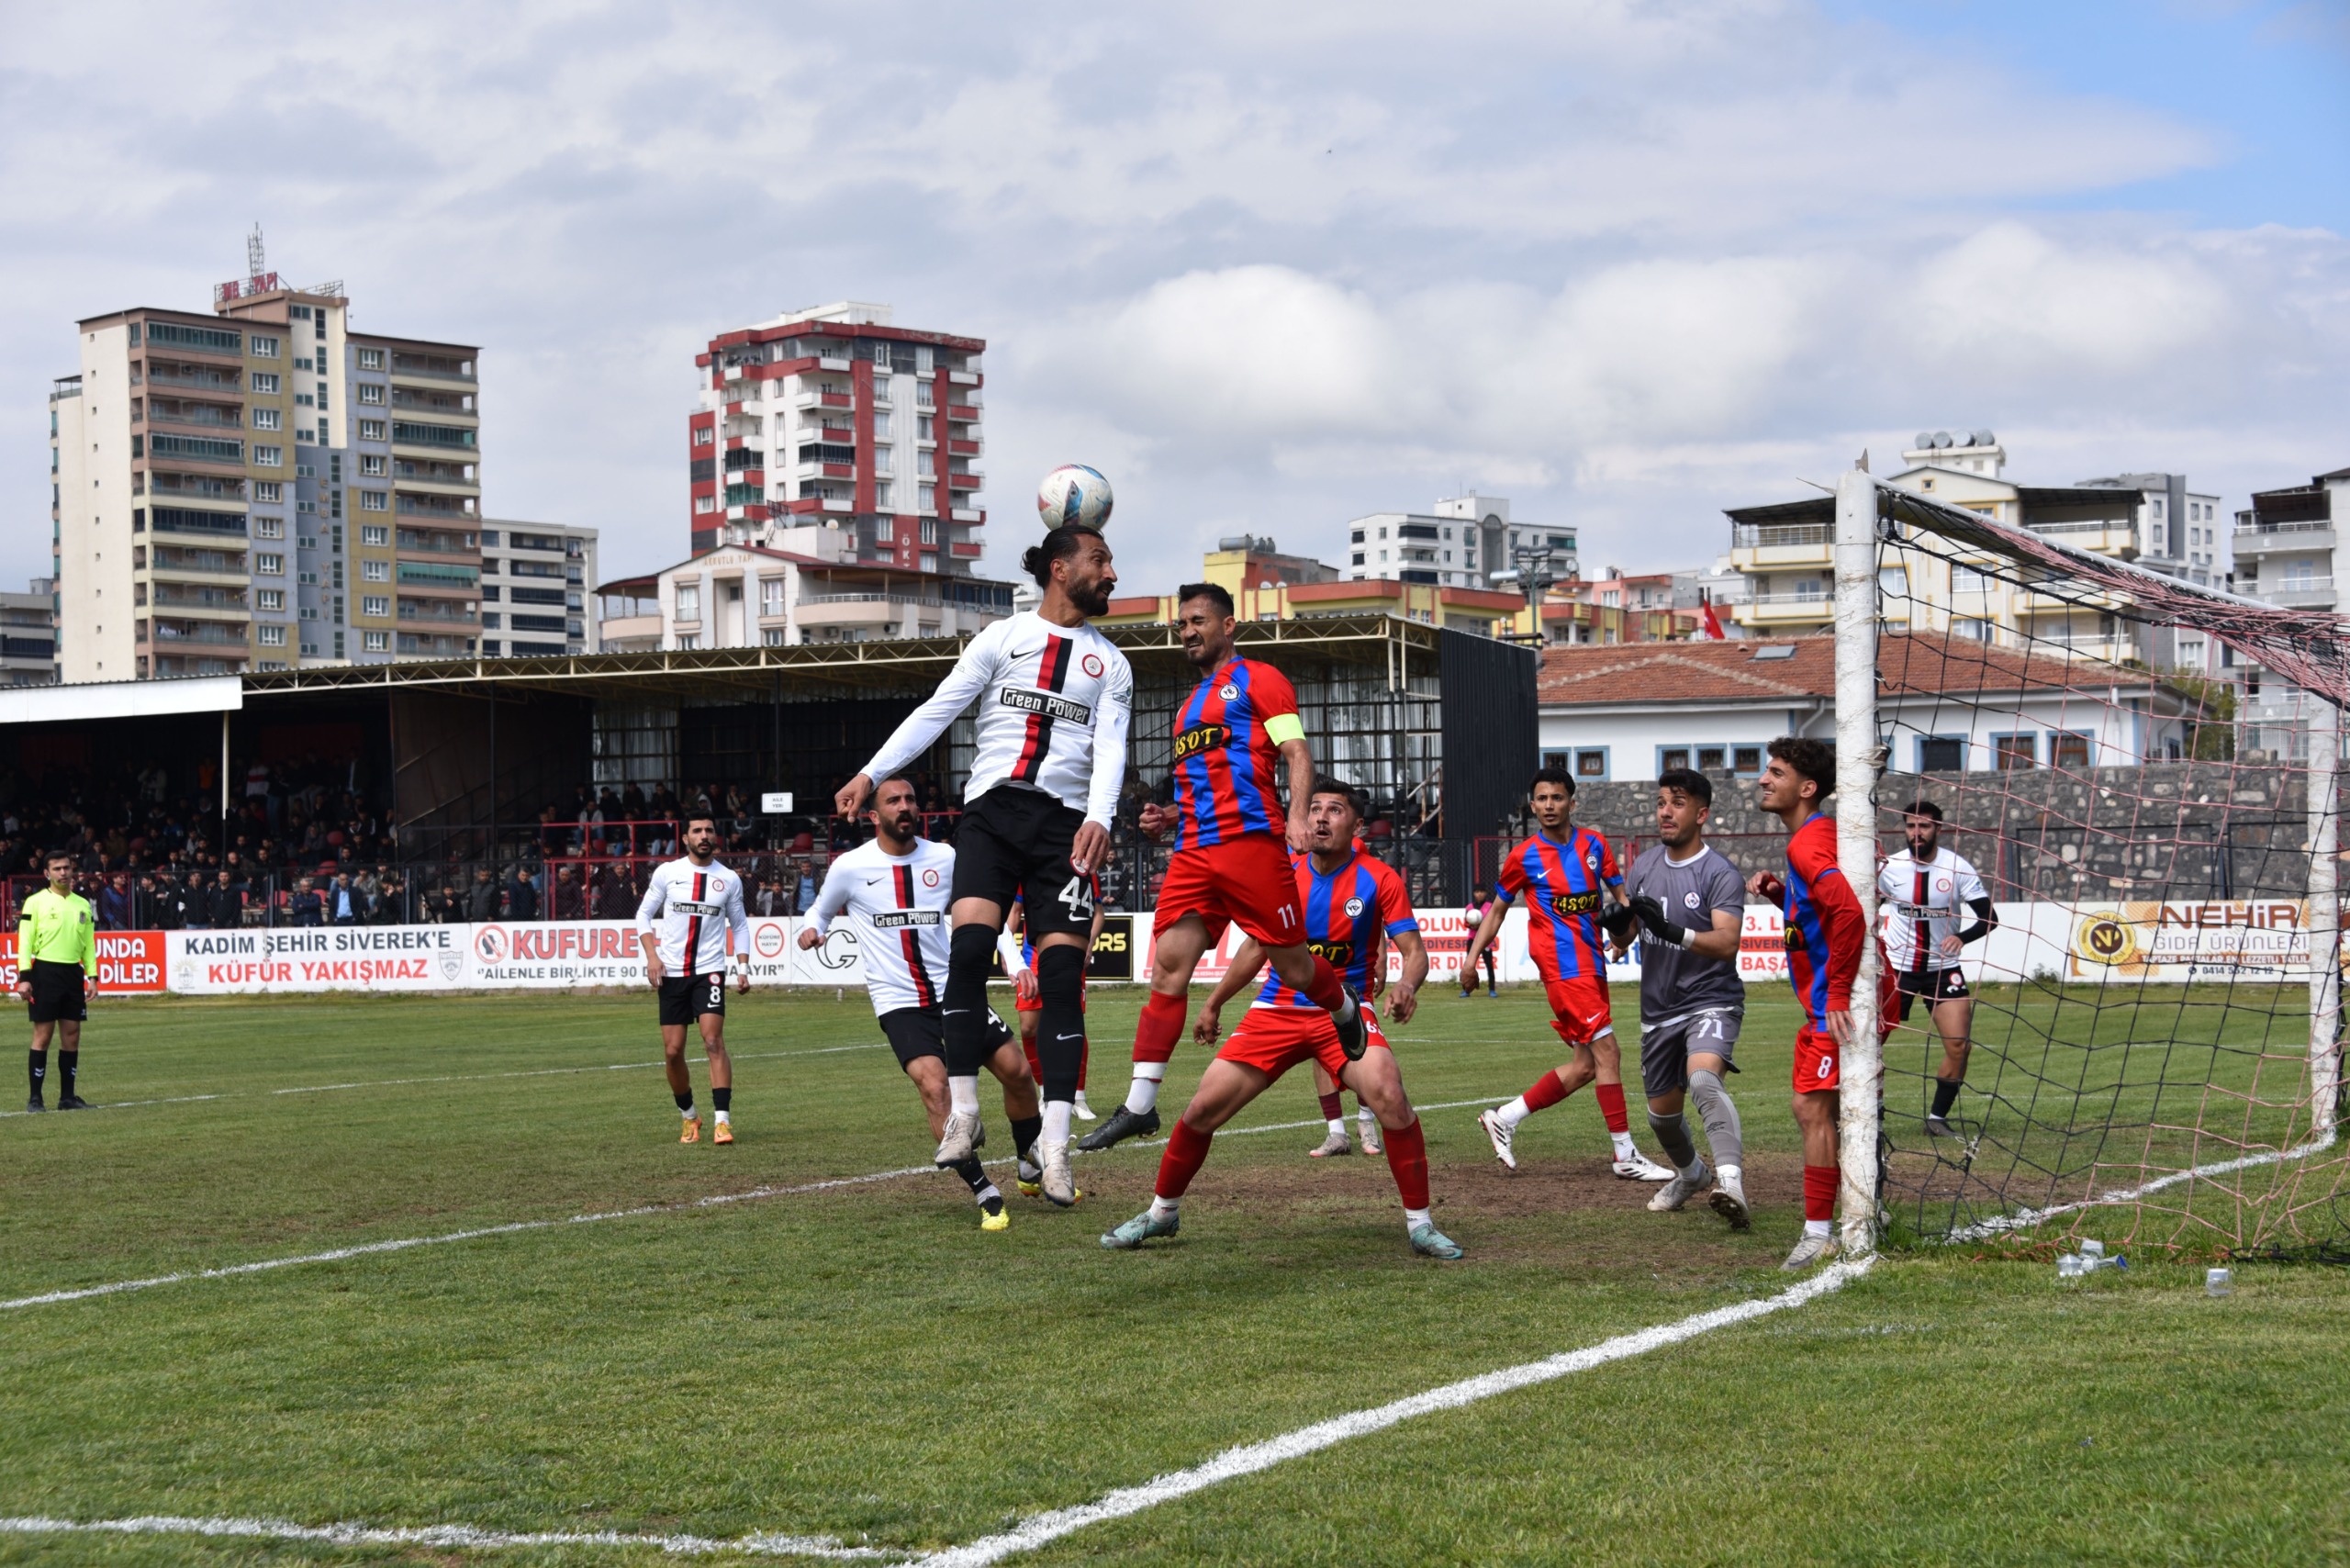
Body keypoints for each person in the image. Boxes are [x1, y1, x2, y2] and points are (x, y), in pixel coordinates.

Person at [834, 523, 1132, 1206]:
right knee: (968, 951)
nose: (1112, 573)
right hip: (992, 816)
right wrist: (871, 772)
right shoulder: (1002, 637)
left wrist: (1101, 815)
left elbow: (1112, 746)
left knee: (1061, 981)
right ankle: (965, 1113)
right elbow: (937, 711)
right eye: (1100, 560)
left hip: (1064, 828)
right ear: (1060, 568)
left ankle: (1055, 1148)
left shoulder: (1111, 663)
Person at [1102, 777, 1462, 1260]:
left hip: (1344, 1011)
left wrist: (1406, 985)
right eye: (1315, 808)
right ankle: (1161, 1214)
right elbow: (1255, 947)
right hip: (1276, 1009)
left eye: (1335, 810)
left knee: (1390, 1096)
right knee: (1201, 1110)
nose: (1321, 818)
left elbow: (1414, 952)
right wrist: (1214, 1002)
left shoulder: (1380, 878)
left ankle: (1420, 1224)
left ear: (1357, 826)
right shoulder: (1283, 870)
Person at [1079, 582, 1367, 1153]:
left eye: (1198, 621)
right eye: (1181, 625)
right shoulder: (1188, 707)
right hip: (1193, 851)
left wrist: (1297, 815)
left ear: (1228, 625)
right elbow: (1202, 785)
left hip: (1250, 842)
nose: (1187, 632)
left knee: (1295, 968)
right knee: (1167, 969)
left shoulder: (1260, 678)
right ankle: (1140, 1106)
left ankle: (1344, 1007)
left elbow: (1296, 752)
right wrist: (1168, 816)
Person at [801, 776, 1044, 1229]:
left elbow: (986, 913)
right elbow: (819, 910)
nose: (905, 806)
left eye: (910, 799)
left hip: (954, 992)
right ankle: (985, 1191)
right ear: (874, 814)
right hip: (899, 1003)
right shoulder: (850, 867)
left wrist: (1014, 963)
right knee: (935, 1088)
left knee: (1017, 1071)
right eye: (893, 800)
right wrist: (813, 928)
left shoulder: (946, 858)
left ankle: (1028, 1164)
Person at [1467, 768, 1672, 1181]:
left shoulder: (1594, 845)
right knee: (1609, 1052)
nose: (1549, 805)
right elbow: (1498, 912)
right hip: (1562, 967)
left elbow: (1622, 905)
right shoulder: (1523, 856)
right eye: (1542, 799)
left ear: (1571, 803)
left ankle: (1504, 1117)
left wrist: (1622, 936)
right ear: (1533, 805)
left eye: (1557, 798)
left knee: (1585, 1066)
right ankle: (1625, 1154)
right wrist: (1471, 960)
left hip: (1591, 963)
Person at [1746, 737, 1896, 1270]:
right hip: (1857, 994)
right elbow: (1820, 911)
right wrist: (1779, 895)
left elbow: (1848, 913)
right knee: (1837, 1108)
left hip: (1845, 1001)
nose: (1763, 779)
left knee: (1812, 1108)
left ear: (1807, 788)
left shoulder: (1807, 844)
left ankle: (1820, 1234)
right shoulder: (1818, 836)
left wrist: (1836, 994)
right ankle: (1866, 1208)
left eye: (1776, 772)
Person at [1608, 768, 1753, 1227]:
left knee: (1705, 1081)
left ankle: (1730, 1184)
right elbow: (1627, 936)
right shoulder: (1644, 866)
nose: (1665, 812)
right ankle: (1692, 1174)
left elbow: (1727, 942)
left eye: (1677, 803)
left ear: (1701, 814)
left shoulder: (1720, 873)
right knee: (1662, 1119)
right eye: (1661, 803)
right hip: (1658, 1010)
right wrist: (1617, 926)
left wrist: (1672, 931)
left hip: (1711, 999)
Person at [1878, 799, 1996, 1137]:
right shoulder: (1889, 867)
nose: (1917, 833)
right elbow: (1864, 904)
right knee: (1869, 1044)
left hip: (1943, 969)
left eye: (1924, 826)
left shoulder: (1957, 867)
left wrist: (1962, 937)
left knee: (1960, 1046)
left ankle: (1936, 1119)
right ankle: (1868, 1115)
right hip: (1897, 969)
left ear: (1938, 829)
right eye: (1911, 826)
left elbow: (1989, 918)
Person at [635, 814, 751, 1145]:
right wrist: (652, 956)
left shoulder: (729, 879)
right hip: (672, 972)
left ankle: (722, 1122)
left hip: (709, 971)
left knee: (713, 1041)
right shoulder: (667, 873)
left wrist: (742, 968)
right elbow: (643, 914)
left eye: (709, 830)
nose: (704, 835)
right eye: (697, 831)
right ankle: (689, 1116)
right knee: (673, 1052)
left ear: (716, 837)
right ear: (685, 838)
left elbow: (740, 925)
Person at [1002, 885, 1100, 1121]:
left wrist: (1089, 943)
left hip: (1070, 952)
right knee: (1028, 1027)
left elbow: (1097, 912)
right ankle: (1045, 1092)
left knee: (1071, 1020)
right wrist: (1007, 951)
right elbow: (1015, 910)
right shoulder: (1028, 867)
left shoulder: (1084, 867)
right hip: (1032, 958)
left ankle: (1078, 1096)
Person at [18, 851, 97, 1112]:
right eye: (57, 869)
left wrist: (92, 976)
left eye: (66, 868)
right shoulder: (35, 902)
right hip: (45, 973)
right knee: (43, 1035)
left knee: (72, 1035)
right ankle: (35, 1099)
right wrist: (24, 978)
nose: (63, 873)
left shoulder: (82, 904)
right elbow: (25, 941)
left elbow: (88, 944)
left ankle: (67, 1098)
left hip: (73, 975)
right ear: (46, 873)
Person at [1459, 882, 1499, 998]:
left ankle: (1492, 989)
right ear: (1474, 894)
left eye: (1482, 891)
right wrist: (1473, 925)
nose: (1479, 894)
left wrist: (1482, 925)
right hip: (1472, 939)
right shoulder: (1469, 908)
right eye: (1477, 892)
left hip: (1486, 940)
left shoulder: (1490, 906)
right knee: (1469, 965)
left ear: (1485, 893)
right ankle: (1466, 990)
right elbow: (1466, 923)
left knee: (1489, 965)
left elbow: (1492, 921)